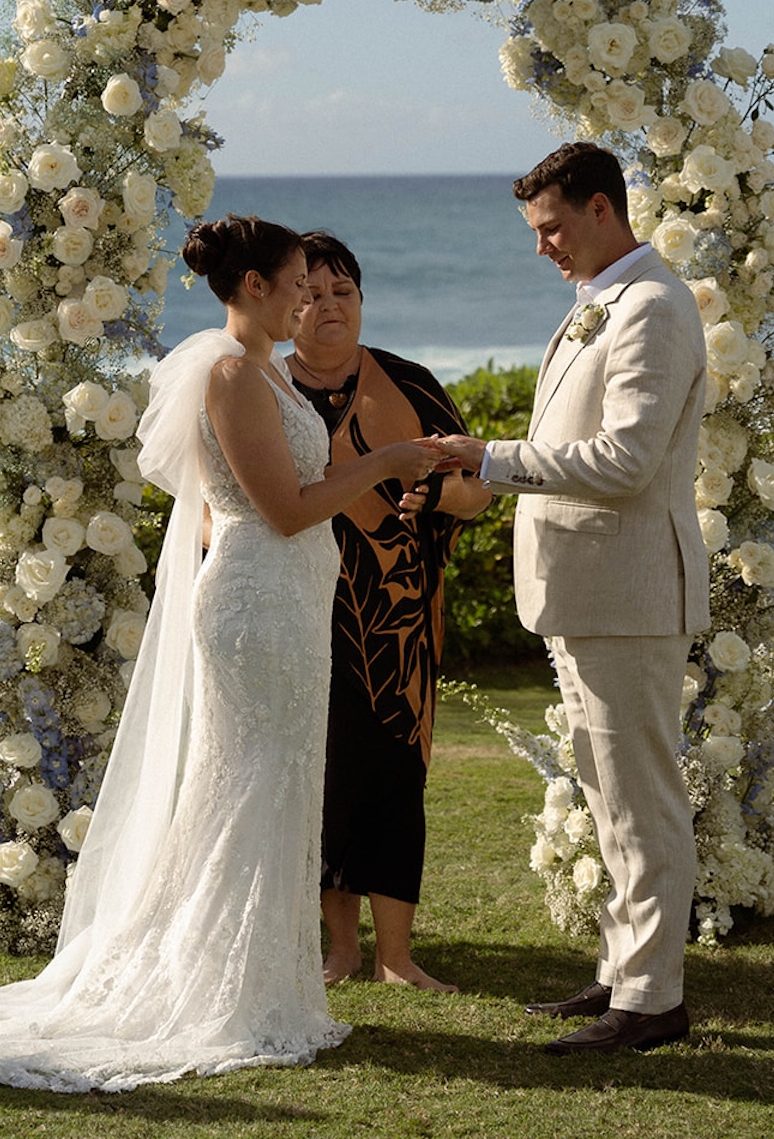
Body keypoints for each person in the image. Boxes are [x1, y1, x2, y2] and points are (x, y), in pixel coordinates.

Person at [0, 215, 446, 1092]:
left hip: (288, 605)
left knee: (276, 787)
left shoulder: (268, 377)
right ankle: (221, 991)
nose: (306, 299)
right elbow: (284, 509)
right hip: (256, 604)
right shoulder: (229, 376)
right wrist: (393, 457)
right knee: (246, 786)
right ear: (254, 286)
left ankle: (263, 984)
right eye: (295, 285)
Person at [432, 145, 708, 1056]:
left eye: (551, 227)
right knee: (608, 796)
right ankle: (625, 977)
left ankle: (655, 999)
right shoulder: (599, 302)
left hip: (627, 593)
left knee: (641, 799)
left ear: (601, 208)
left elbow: (627, 463)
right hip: (587, 593)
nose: (542, 246)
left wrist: (492, 457)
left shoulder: (654, 307)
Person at [286, 232, 492, 993]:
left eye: (343, 291)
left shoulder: (410, 384)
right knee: (323, 780)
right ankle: (340, 950)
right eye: (309, 294)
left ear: (362, 301)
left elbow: (477, 491)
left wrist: (440, 492)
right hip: (302, 616)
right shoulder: (269, 394)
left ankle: (396, 956)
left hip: (401, 625)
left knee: (396, 777)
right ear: (287, 306)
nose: (327, 306)